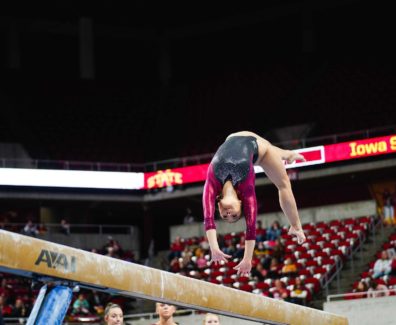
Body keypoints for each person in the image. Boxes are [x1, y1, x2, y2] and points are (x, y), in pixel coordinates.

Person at [203, 131, 306, 275]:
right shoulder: (246, 188)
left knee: (270, 150)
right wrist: (247, 259)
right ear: (240, 202)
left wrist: (214, 247)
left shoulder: (212, 184)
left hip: (232, 136)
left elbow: (208, 219)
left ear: (218, 206)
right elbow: (250, 228)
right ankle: (296, 226)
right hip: (259, 151)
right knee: (283, 185)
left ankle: (287, 154)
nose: (229, 214)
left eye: (225, 216)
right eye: (234, 215)